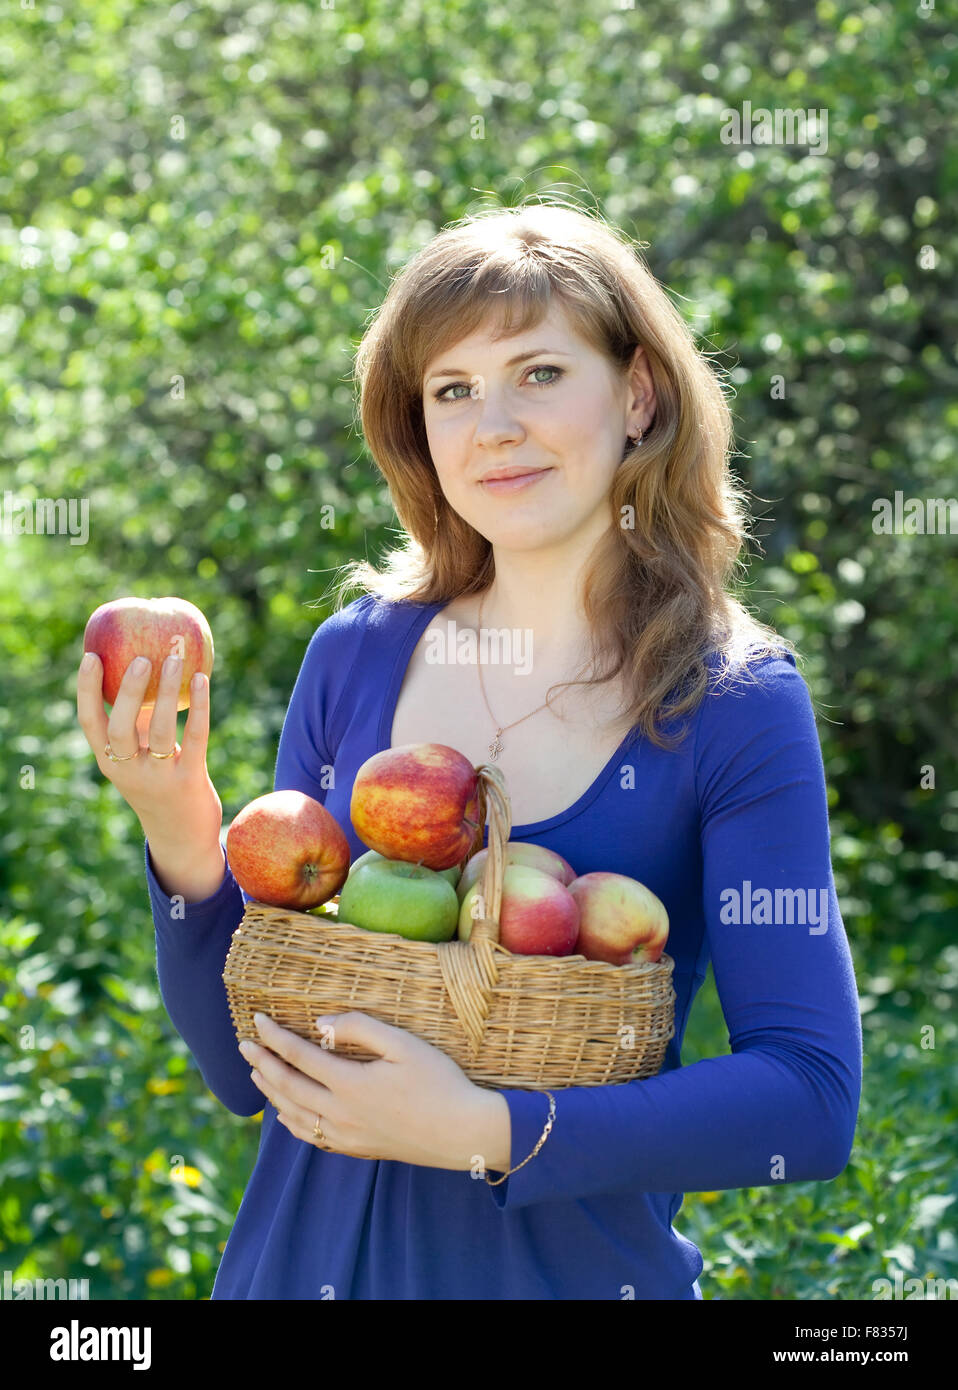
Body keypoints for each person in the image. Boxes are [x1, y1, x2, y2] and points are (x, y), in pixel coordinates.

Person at [76, 201, 862, 1300]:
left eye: (539, 373)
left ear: (637, 394)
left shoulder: (729, 699)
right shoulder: (354, 656)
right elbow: (248, 1069)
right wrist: (173, 817)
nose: (492, 424)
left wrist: (486, 1128)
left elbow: (809, 1100)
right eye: (452, 390)